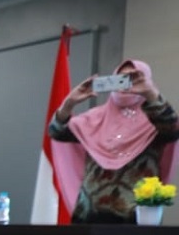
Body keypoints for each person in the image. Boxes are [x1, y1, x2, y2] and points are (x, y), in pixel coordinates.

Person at [48, 58, 179, 223]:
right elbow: (56, 132)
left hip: (136, 216)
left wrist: (150, 93)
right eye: (121, 77)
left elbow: (172, 129)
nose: (126, 83)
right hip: (89, 215)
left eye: (133, 78)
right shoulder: (94, 118)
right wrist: (69, 103)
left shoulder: (155, 119)